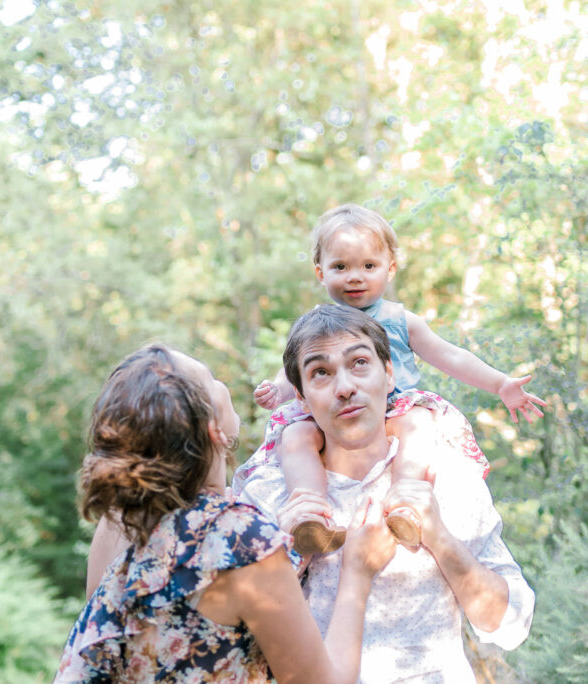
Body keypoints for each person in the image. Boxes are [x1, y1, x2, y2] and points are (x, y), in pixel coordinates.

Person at [55, 343, 397, 683]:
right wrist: (357, 573)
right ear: (213, 428)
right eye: (212, 378)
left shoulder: (118, 522)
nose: (223, 384)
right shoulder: (238, 538)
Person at [235, 305, 536, 683]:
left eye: (359, 362)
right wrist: (287, 555)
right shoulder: (269, 495)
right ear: (300, 397)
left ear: (389, 372)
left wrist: (439, 536)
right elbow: (230, 642)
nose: (345, 387)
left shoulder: (445, 477)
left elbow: (509, 626)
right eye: (321, 373)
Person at [253, 203, 547, 553]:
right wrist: (278, 388)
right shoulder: (316, 324)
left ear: (389, 269)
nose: (355, 276)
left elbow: (450, 355)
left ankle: (406, 502)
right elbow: (299, 371)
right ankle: (310, 514)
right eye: (340, 267)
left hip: (395, 408)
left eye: (369, 266)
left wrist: (499, 384)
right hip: (336, 411)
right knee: (296, 433)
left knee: (419, 423)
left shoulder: (400, 319)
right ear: (320, 273)